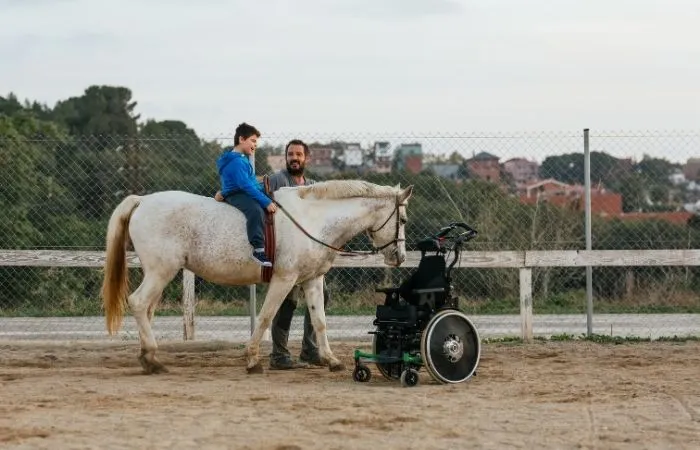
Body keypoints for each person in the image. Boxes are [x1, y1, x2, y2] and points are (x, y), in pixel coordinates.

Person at [215, 139, 330, 369]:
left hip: (306, 257)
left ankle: (310, 349)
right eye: (290, 154)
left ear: (306, 158)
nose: (294, 158)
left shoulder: (313, 186)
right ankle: (279, 354)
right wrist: (227, 192)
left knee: (321, 294)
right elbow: (253, 187)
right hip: (283, 254)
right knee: (287, 301)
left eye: (298, 154)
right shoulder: (277, 180)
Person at [216, 122, 277, 267]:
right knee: (255, 210)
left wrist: (264, 188)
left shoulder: (241, 159)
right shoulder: (236, 161)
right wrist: (265, 202)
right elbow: (245, 185)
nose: (255, 145)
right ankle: (258, 249)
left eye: (256, 142)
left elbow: (250, 183)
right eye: (253, 141)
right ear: (242, 139)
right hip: (236, 194)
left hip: (243, 191)